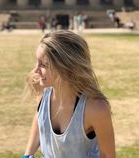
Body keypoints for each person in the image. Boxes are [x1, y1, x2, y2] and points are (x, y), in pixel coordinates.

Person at [22, 30, 115, 158]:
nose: (36, 70)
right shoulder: (42, 90)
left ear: (65, 67)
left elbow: (107, 155)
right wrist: (27, 155)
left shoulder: (95, 108)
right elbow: (41, 119)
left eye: (43, 65)